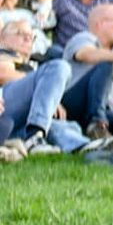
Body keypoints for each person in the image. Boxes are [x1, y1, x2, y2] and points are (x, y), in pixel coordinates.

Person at [62, 2, 113, 138]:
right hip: (73, 105)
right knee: (106, 66)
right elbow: (85, 54)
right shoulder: (83, 38)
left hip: (102, 109)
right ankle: (97, 126)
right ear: (101, 23)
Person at [0, 19, 72, 154]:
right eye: (19, 33)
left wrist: (48, 95)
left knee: (66, 127)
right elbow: (3, 74)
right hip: (4, 104)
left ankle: (88, 147)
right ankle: (34, 135)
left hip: (17, 122)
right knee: (60, 66)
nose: (27, 38)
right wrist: (43, 85)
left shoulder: (35, 60)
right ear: (3, 38)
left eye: (30, 35)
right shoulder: (4, 52)